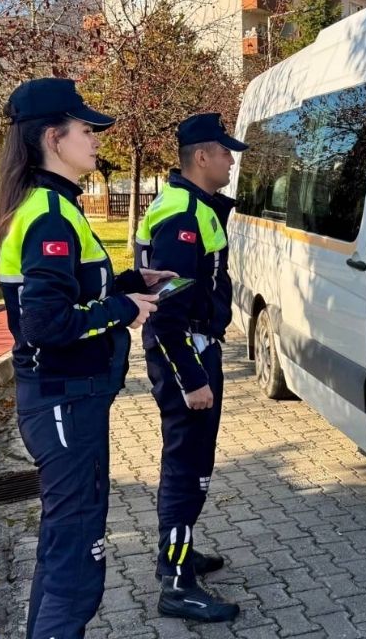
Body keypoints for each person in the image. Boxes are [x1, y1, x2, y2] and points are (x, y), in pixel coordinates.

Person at [0, 77, 172, 639]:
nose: (96, 139)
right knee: (77, 556)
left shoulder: (53, 206)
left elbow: (70, 294)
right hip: (64, 399)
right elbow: (46, 324)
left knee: (66, 543)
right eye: (86, 129)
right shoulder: (49, 215)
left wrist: (130, 284)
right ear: (53, 138)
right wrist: (122, 310)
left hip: (70, 398)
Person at [135, 113, 245, 622]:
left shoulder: (191, 205)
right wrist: (193, 378)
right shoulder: (182, 215)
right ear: (201, 157)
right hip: (188, 354)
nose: (231, 161)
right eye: (225, 152)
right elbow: (166, 312)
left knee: (190, 463)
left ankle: (177, 553)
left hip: (195, 347)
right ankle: (177, 582)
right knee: (188, 468)